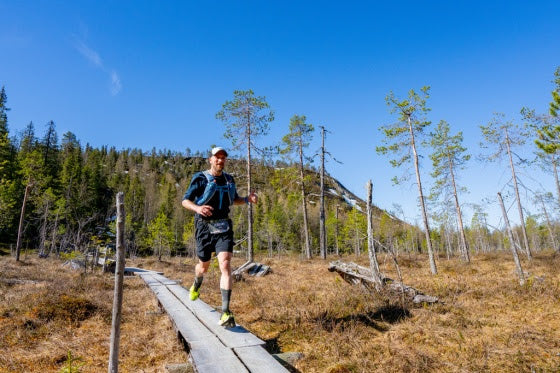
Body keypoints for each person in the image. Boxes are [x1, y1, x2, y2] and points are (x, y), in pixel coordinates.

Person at [181, 146, 257, 327]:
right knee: (203, 267)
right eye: (217, 157)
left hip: (223, 227)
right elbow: (185, 200)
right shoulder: (200, 178)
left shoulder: (229, 180)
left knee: (225, 264)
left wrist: (247, 199)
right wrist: (198, 208)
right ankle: (196, 285)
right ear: (210, 159)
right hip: (204, 228)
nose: (220, 160)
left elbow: (234, 199)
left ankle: (225, 312)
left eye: (223, 158)